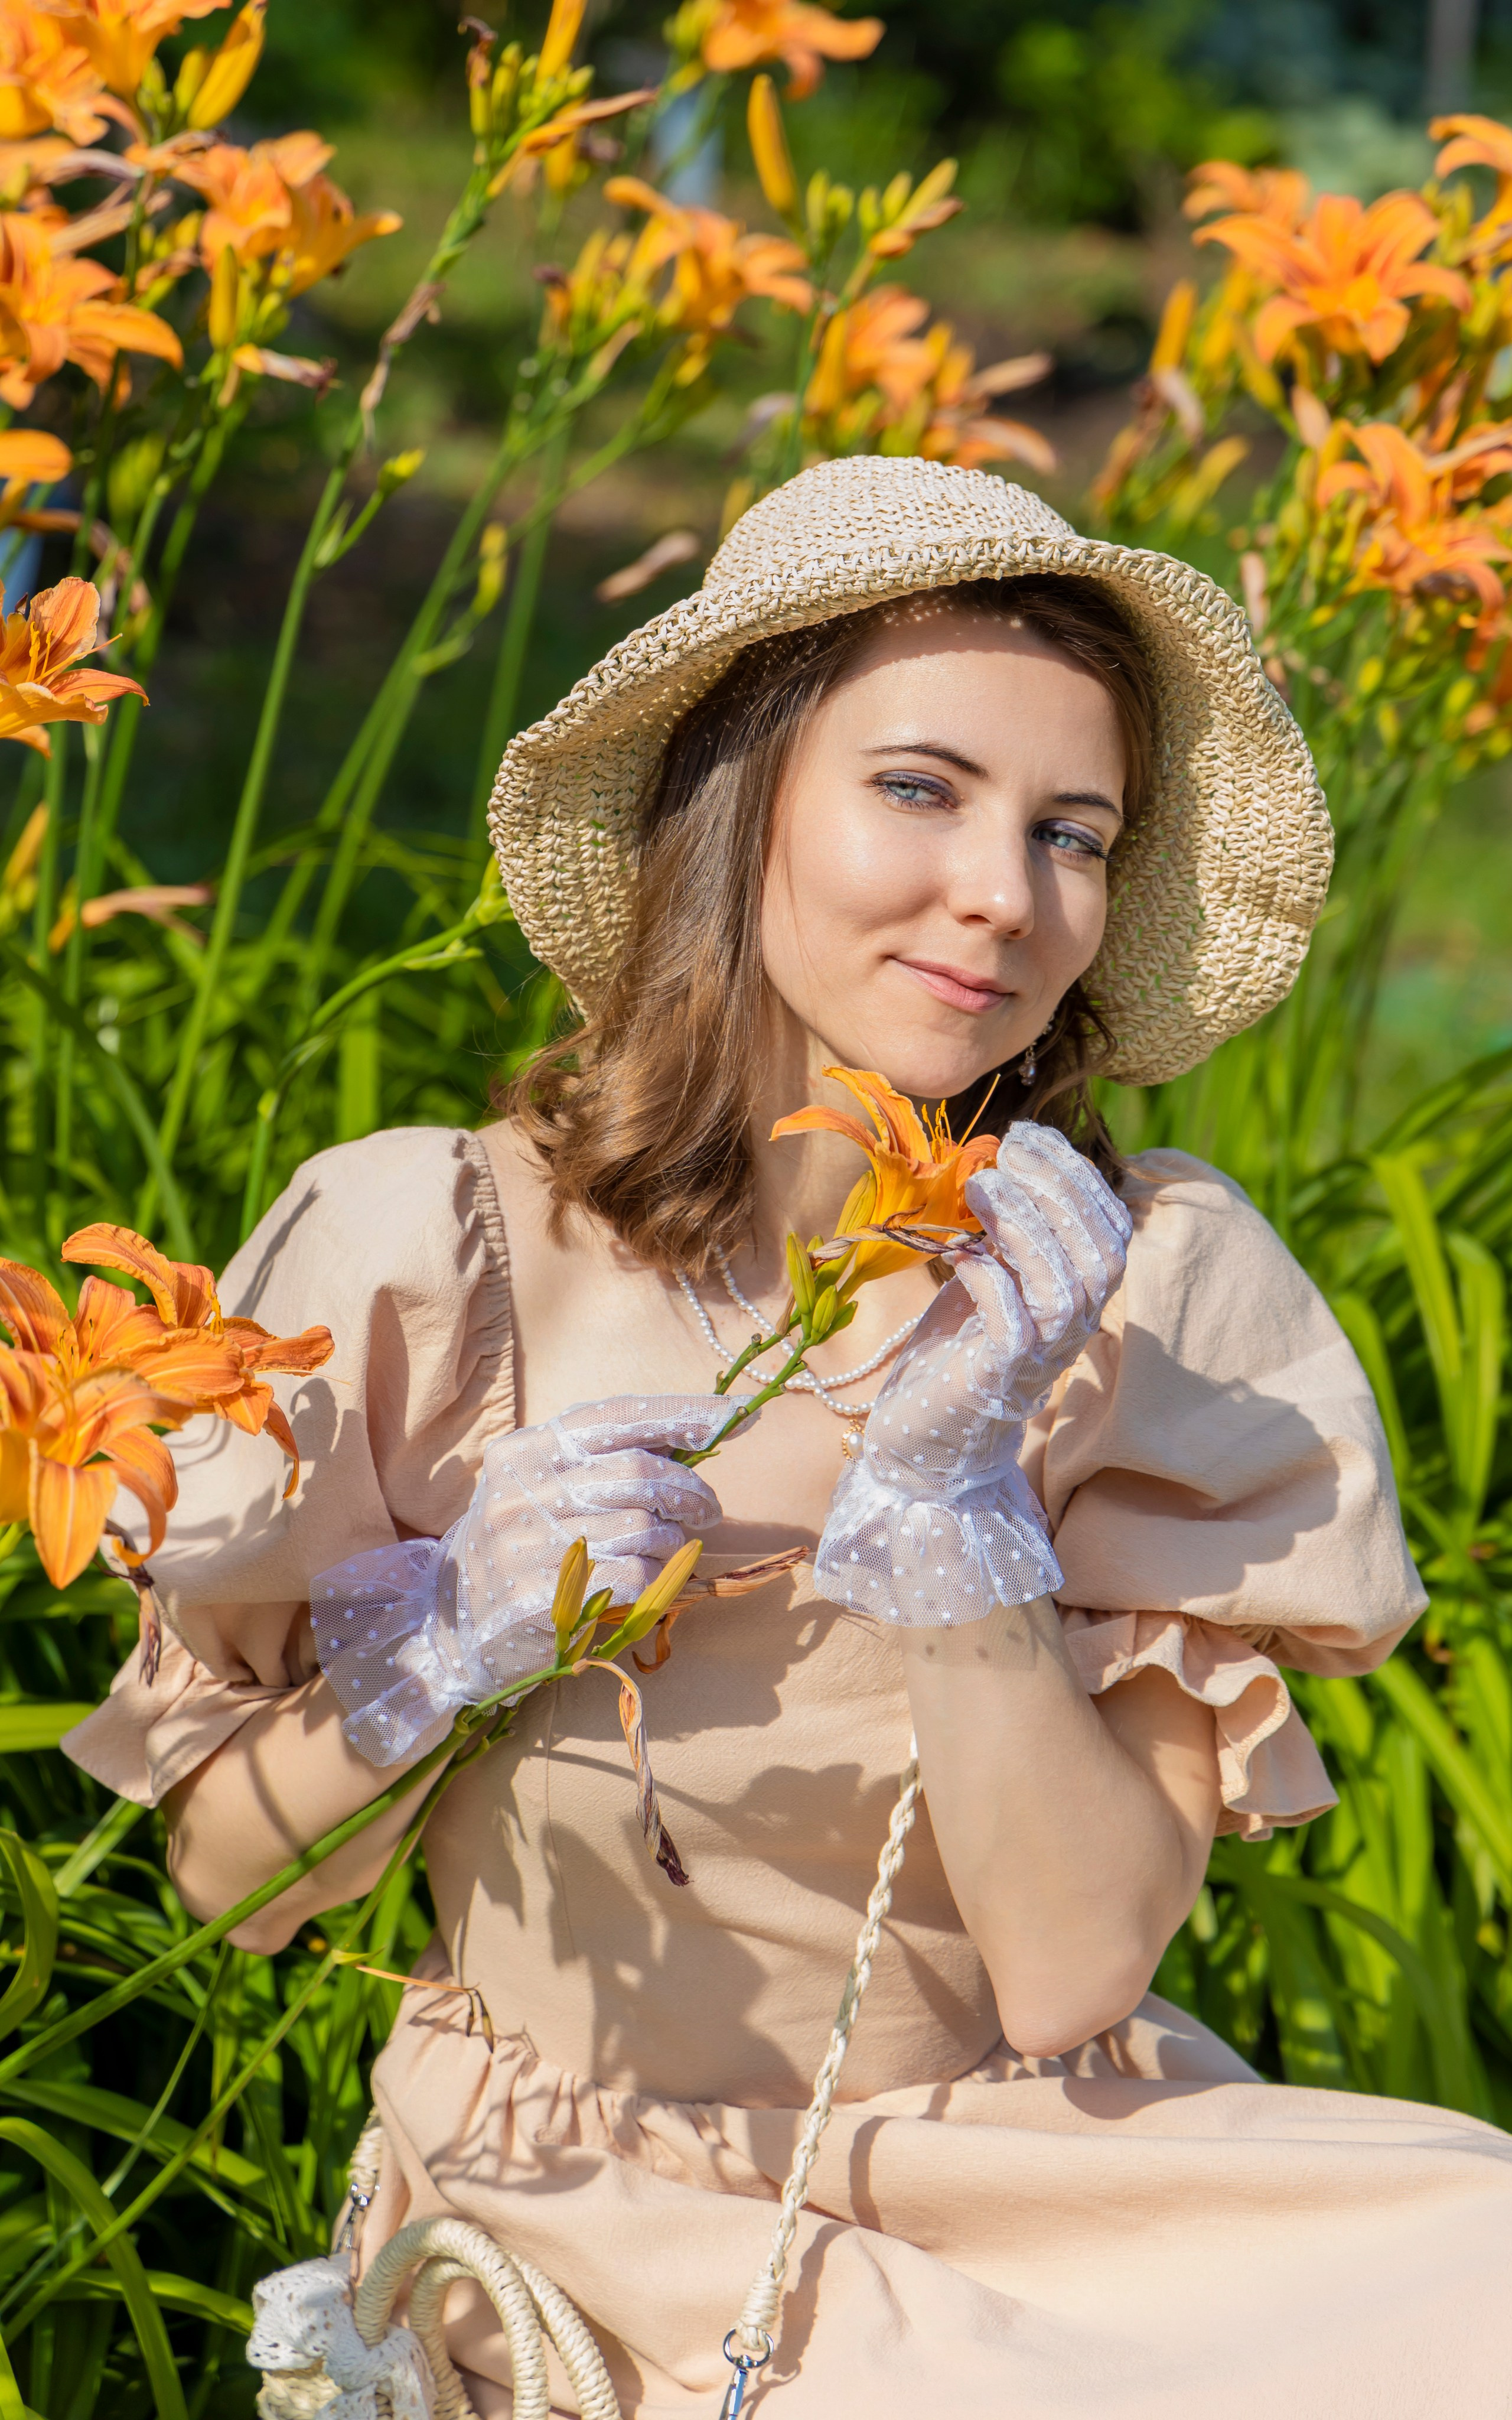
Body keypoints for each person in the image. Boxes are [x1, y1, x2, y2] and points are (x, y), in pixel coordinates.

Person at [67, 456, 1512, 2418]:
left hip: (1038, 2180)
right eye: (921, 788)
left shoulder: (1139, 1294)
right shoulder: (434, 1246)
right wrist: (445, 1652)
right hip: (589, 2203)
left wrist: (952, 1502)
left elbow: (1079, 1976)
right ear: (737, 805)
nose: (1007, 895)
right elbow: (223, 1882)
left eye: (1074, 832)